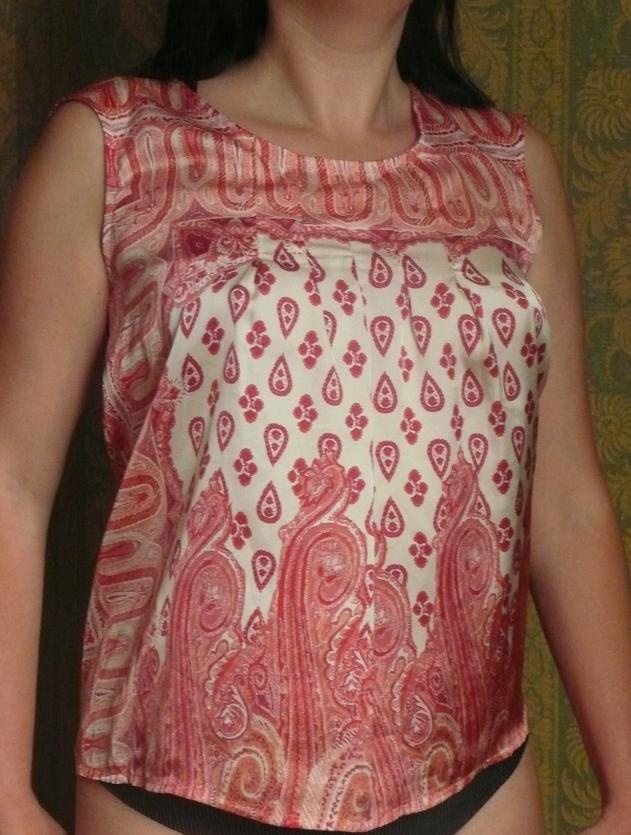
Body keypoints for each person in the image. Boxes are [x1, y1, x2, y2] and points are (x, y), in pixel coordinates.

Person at [1, 0, 631, 833]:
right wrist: (4, 794)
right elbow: (11, 481)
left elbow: (566, 505)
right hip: (173, 788)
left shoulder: (511, 171)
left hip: (469, 787)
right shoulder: (117, 146)